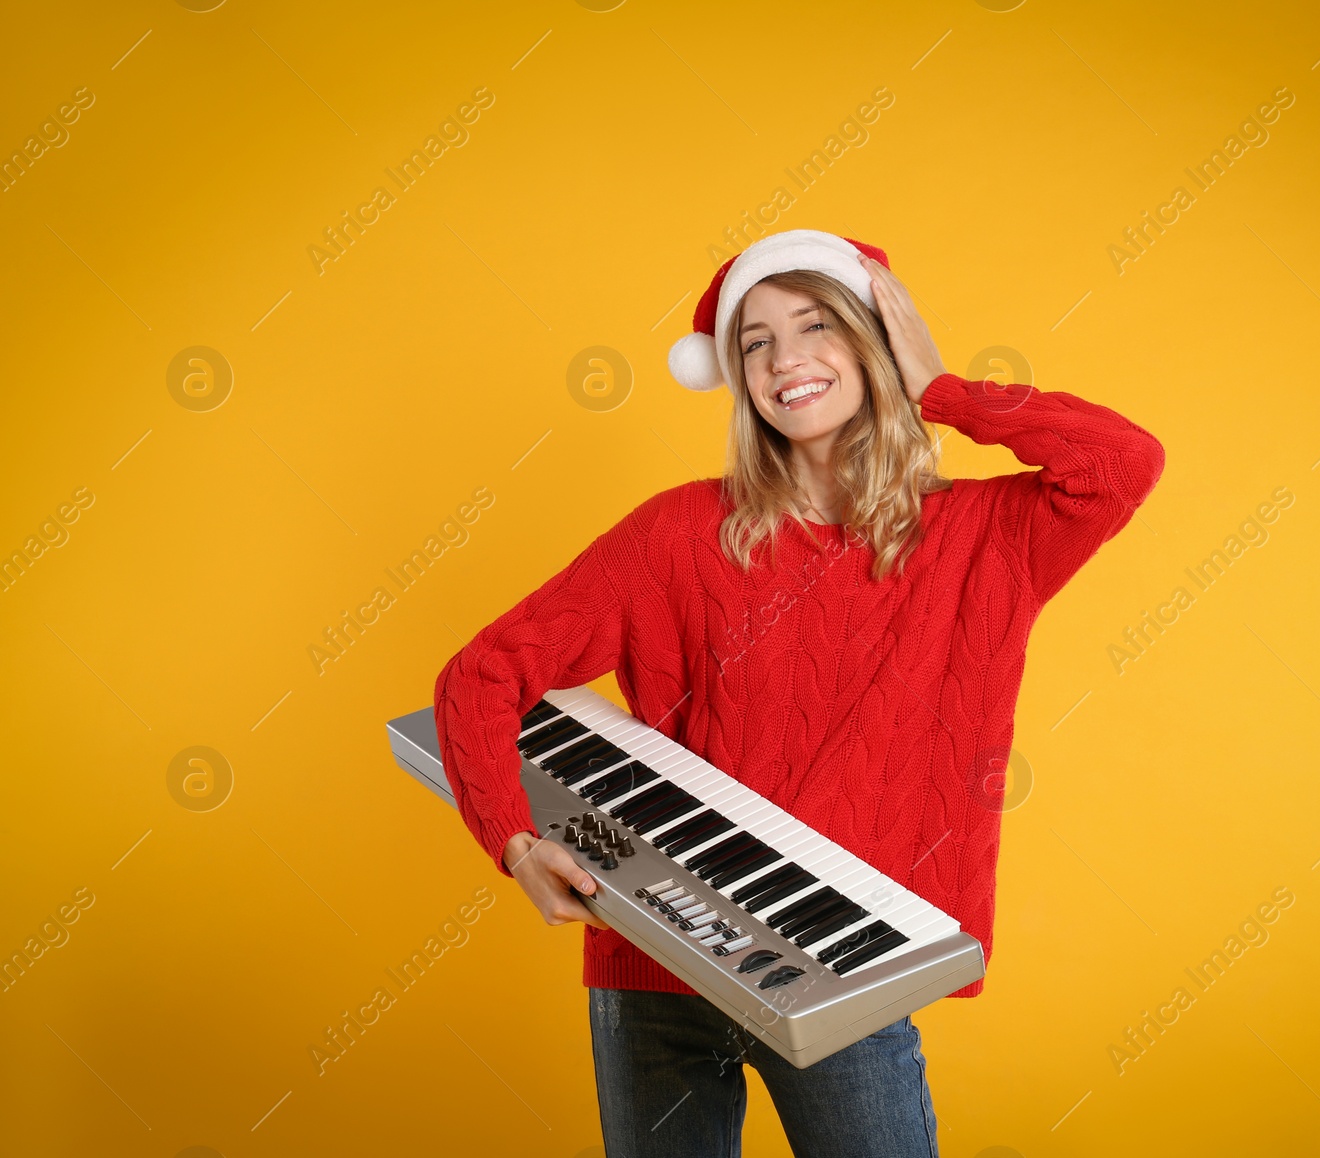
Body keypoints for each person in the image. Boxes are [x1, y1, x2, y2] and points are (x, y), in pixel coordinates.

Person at [433, 228, 1165, 1156]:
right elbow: (482, 675)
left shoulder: (985, 539)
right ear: (736, 379)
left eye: (817, 325)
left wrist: (942, 389)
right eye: (755, 342)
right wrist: (515, 843)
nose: (786, 360)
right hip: (656, 965)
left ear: (876, 339)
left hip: (846, 969)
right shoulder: (678, 534)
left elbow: (1123, 462)